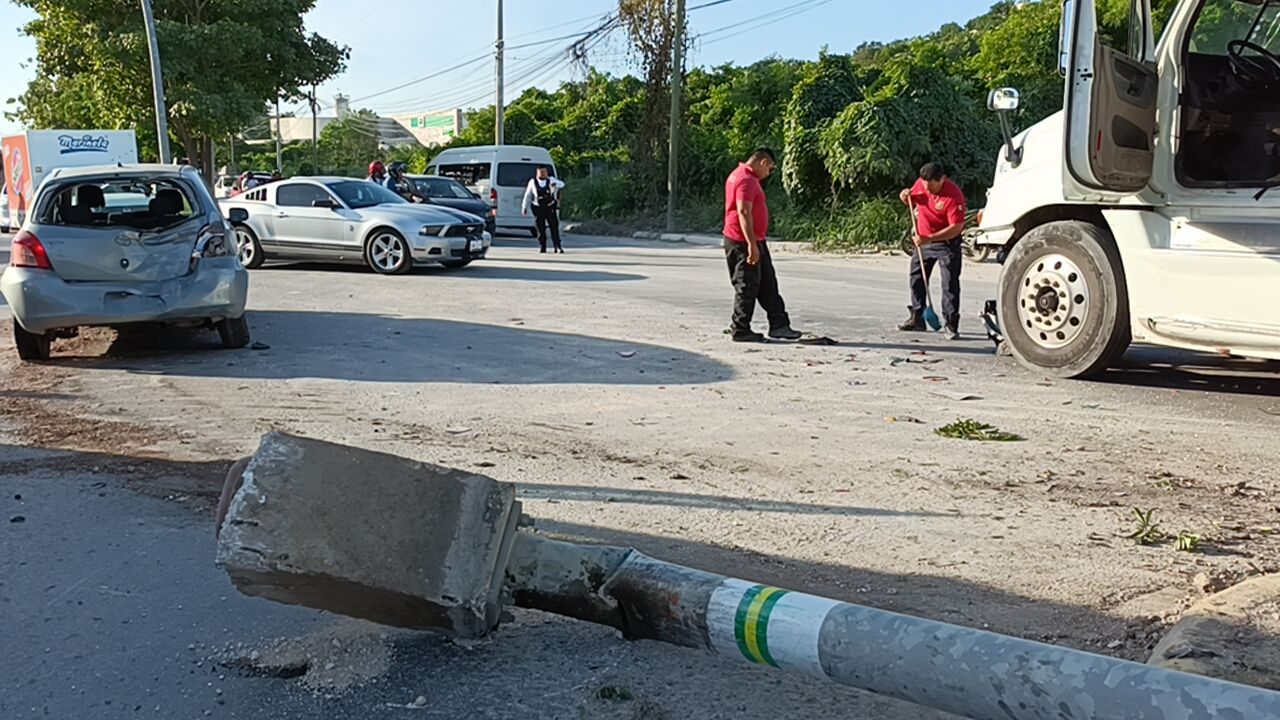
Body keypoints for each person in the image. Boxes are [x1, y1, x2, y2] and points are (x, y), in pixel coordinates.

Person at [722, 148, 802, 343]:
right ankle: (740, 329)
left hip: (755, 239)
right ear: (763, 162)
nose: (769, 173)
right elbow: (743, 212)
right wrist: (751, 245)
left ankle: (779, 325)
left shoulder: (740, 175)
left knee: (768, 283)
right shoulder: (746, 180)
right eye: (770, 168)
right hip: (742, 241)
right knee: (747, 285)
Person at [898, 162, 966, 340]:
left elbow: (956, 227)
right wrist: (905, 197)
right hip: (923, 241)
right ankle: (917, 317)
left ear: (942, 179)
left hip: (946, 243)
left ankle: (951, 323)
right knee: (916, 277)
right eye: (925, 184)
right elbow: (912, 200)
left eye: (932, 186)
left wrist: (931, 237)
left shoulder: (953, 196)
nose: (927, 189)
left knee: (949, 283)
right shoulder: (922, 183)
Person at [521, 167, 566, 253]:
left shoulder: (551, 180)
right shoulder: (532, 182)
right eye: (541, 172)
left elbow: (562, 184)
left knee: (554, 227)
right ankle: (542, 246)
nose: (543, 174)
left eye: (544, 172)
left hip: (550, 207)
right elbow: (527, 195)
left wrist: (555, 184)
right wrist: (524, 207)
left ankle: (557, 245)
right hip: (538, 207)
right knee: (540, 228)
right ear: (537, 173)